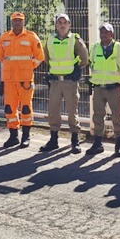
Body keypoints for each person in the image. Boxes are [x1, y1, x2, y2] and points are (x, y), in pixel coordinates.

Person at [40, 13, 89, 154]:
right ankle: (53, 140)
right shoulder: (49, 39)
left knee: (72, 112)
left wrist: (76, 70)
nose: (62, 25)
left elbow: (84, 58)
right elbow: (46, 58)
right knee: (53, 111)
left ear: (69, 25)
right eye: (59, 22)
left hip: (70, 81)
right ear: (56, 25)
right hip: (55, 82)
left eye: (65, 22)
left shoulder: (75, 39)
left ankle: (75, 140)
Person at [0, 12, 45, 149]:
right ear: (11, 22)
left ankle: (26, 136)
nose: (17, 22)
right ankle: (13, 136)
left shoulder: (31, 37)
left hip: (25, 81)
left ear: (24, 22)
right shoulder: (4, 37)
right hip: (9, 81)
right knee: (9, 108)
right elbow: (1, 56)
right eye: (15, 20)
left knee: (25, 108)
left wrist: (28, 67)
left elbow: (40, 56)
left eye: (20, 20)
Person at [86, 23, 120, 157]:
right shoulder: (94, 48)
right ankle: (98, 144)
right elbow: (91, 63)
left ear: (112, 34)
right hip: (99, 88)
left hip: (114, 88)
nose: (104, 34)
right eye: (102, 32)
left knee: (117, 117)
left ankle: (119, 145)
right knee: (98, 116)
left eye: (106, 32)